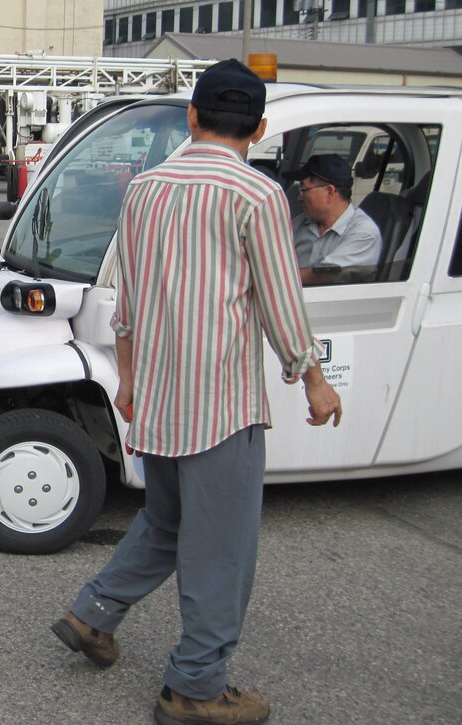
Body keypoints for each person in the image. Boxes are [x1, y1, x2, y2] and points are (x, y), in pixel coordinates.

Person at [50, 60, 343, 725]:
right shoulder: (257, 195)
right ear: (260, 128)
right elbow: (279, 301)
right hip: (221, 405)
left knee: (168, 520)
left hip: (156, 395)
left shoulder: (145, 190)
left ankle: (93, 614)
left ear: (192, 117)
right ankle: (196, 686)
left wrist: (125, 380)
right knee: (222, 548)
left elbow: (124, 300)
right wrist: (314, 379)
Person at [287, 153, 382, 285]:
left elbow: (324, 276)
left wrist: (272, 281)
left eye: (304, 189)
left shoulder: (364, 233)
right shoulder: (301, 222)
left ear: (330, 192)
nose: (299, 197)